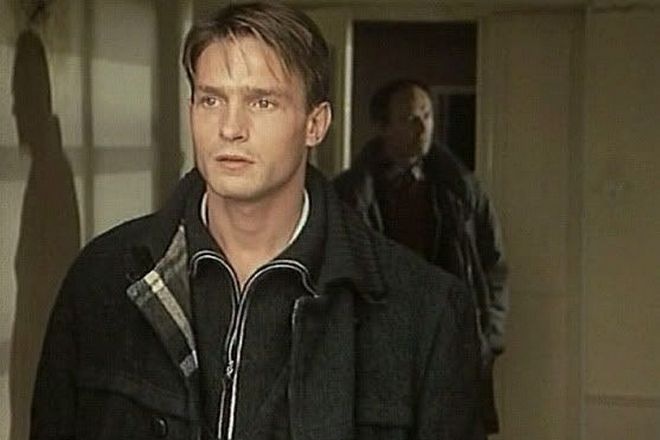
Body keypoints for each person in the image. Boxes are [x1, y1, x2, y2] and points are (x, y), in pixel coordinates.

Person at [31, 3, 482, 439]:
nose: (230, 128)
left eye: (262, 102)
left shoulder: (426, 313)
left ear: (315, 124)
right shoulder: (101, 278)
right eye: (211, 100)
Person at [334, 79, 508, 436]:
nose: (422, 127)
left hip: (451, 347)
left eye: (427, 116)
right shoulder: (349, 194)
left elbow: (494, 264)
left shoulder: (460, 190)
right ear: (383, 126)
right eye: (409, 118)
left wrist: (490, 334)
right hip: (380, 353)